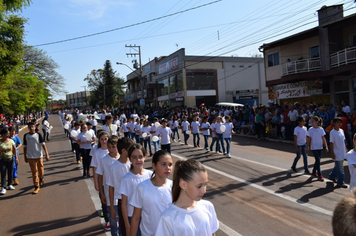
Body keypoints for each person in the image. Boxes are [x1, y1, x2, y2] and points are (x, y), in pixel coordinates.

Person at [155, 159, 219, 236]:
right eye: (199, 186)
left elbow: (212, 233)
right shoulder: (168, 218)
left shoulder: (208, 207)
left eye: (205, 184)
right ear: (183, 185)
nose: (204, 190)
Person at [130, 150, 173, 236]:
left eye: (170, 165)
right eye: (163, 164)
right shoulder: (142, 187)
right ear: (154, 166)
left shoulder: (173, 186)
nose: (168, 167)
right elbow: (136, 217)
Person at [120, 144, 153, 236]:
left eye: (140, 157)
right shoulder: (126, 179)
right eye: (134, 157)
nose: (138, 160)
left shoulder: (150, 175)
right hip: (132, 218)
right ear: (129, 159)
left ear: (145, 157)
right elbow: (124, 203)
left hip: (148, 217)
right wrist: (127, 224)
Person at [108, 137, 135, 236]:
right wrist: (111, 206)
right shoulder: (113, 167)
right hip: (121, 202)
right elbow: (111, 187)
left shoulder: (134, 164)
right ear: (123, 151)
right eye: (131, 149)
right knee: (124, 229)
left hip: (134, 200)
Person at [96, 135, 120, 231]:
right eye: (109, 147)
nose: (111, 149)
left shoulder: (123, 160)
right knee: (113, 219)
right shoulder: (103, 160)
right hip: (109, 194)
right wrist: (102, 193)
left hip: (122, 195)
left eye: (114, 147)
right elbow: (100, 177)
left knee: (122, 220)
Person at [23, 122, 50, 194]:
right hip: (31, 156)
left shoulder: (38, 135)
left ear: (35, 127)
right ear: (28, 128)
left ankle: (41, 178)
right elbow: (25, 147)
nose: (31, 128)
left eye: (32, 127)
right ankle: (36, 186)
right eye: (30, 127)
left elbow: (43, 145)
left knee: (40, 169)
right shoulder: (26, 136)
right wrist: (25, 156)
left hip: (39, 155)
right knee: (34, 172)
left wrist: (46, 154)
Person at [90, 130, 110, 222]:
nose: (104, 141)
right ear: (99, 140)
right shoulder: (97, 153)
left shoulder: (113, 151)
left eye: (106, 139)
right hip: (102, 180)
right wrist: (96, 182)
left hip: (112, 180)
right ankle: (107, 220)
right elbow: (94, 169)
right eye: (102, 139)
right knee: (104, 199)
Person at [306, 116, 328, 181]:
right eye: (311, 121)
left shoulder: (321, 129)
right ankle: (320, 174)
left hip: (319, 147)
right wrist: (308, 146)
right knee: (318, 160)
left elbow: (323, 138)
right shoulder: (310, 129)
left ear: (317, 122)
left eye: (313, 121)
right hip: (314, 147)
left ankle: (313, 172)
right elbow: (309, 139)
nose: (312, 122)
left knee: (317, 160)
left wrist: (326, 146)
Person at [329, 117, 348, 188]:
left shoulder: (342, 131)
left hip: (342, 151)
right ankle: (340, 181)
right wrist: (332, 153)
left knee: (338, 165)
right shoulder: (332, 132)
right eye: (337, 122)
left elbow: (343, 141)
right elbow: (331, 143)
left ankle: (332, 175)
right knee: (340, 168)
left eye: (340, 122)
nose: (339, 124)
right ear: (334, 123)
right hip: (336, 152)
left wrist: (345, 149)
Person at [0, 129, 18, 195]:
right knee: (3, 173)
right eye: (7, 133)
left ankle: (10, 184)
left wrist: (16, 158)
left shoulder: (11, 141)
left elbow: (14, 149)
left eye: (8, 133)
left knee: (10, 171)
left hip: (10, 159)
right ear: (3, 134)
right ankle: (3, 187)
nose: (8, 135)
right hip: (2, 160)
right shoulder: (0, 142)